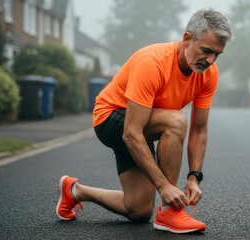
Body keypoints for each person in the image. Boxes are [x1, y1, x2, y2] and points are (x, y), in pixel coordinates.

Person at [56, 9, 233, 234]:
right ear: (187, 39)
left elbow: (199, 131)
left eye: (217, 54)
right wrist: (164, 186)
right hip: (110, 118)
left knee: (139, 210)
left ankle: (75, 191)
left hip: (142, 124)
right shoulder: (152, 62)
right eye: (206, 51)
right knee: (175, 121)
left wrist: (194, 177)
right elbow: (131, 133)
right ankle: (170, 212)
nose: (210, 60)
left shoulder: (209, 73)